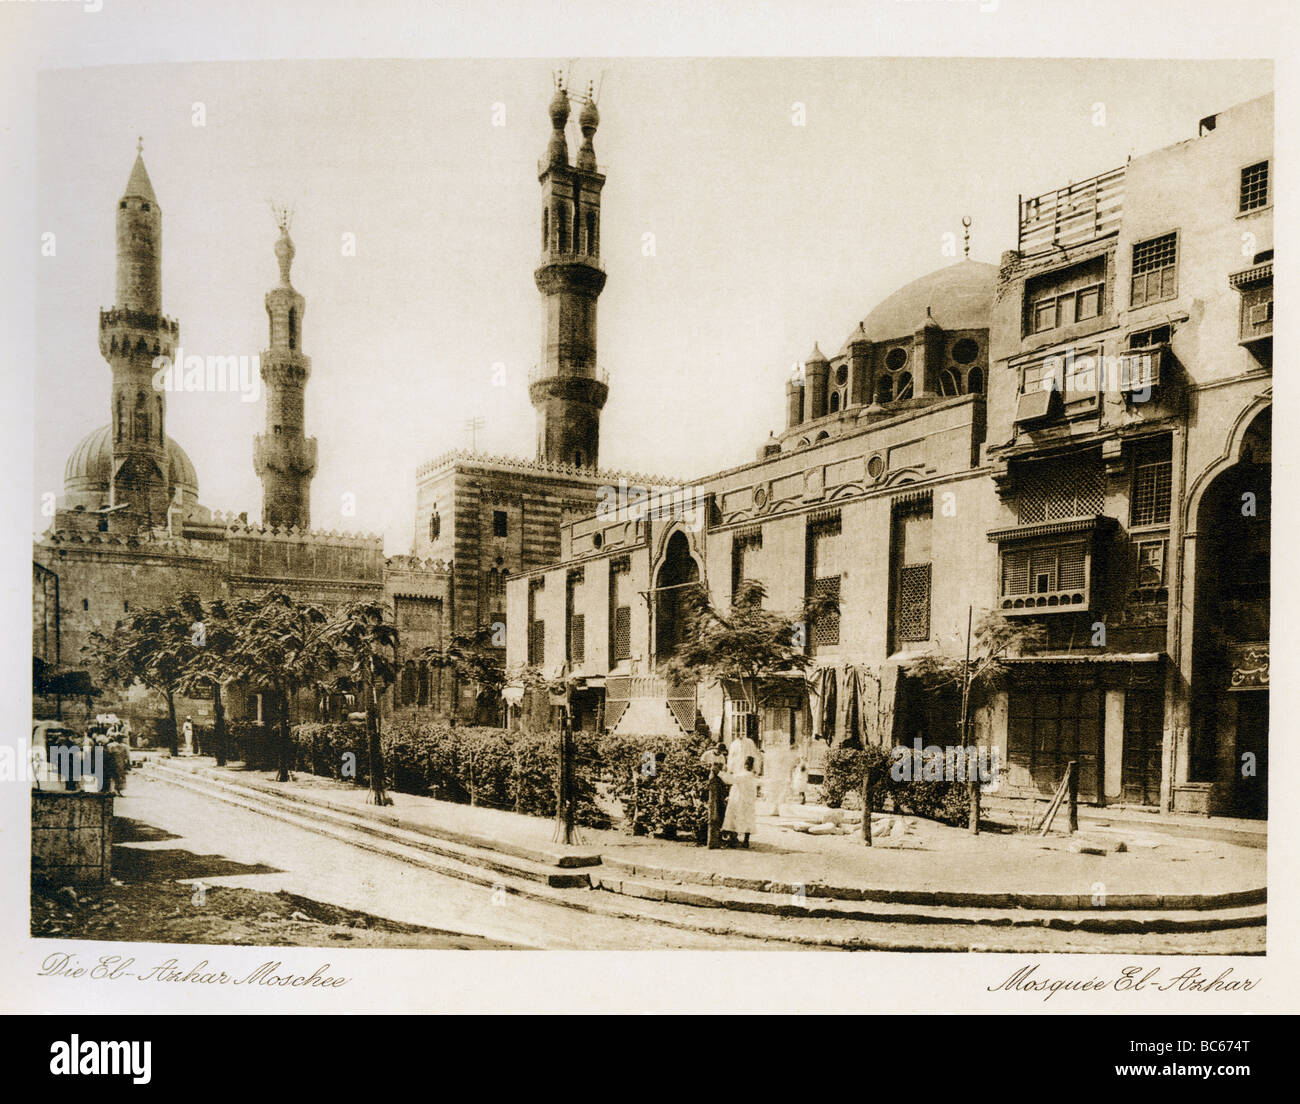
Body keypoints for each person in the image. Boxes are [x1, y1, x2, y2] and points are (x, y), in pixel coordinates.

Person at [719, 755, 758, 848]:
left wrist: (719, 773)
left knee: (735, 818)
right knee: (747, 820)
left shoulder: (743, 775)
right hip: (748, 801)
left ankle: (733, 840)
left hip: (739, 799)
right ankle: (746, 841)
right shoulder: (752, 776)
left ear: (745, 765)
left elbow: (729, 780)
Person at [699, 740, 728, 848]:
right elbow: (701, 763)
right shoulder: (707, 754)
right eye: (718, 750)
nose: (719, 752)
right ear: (715, 749)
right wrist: (707, 767)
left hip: (717, 779)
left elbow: (724, 768)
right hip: (707, 776)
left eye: (721, 751)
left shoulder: (722, 757)